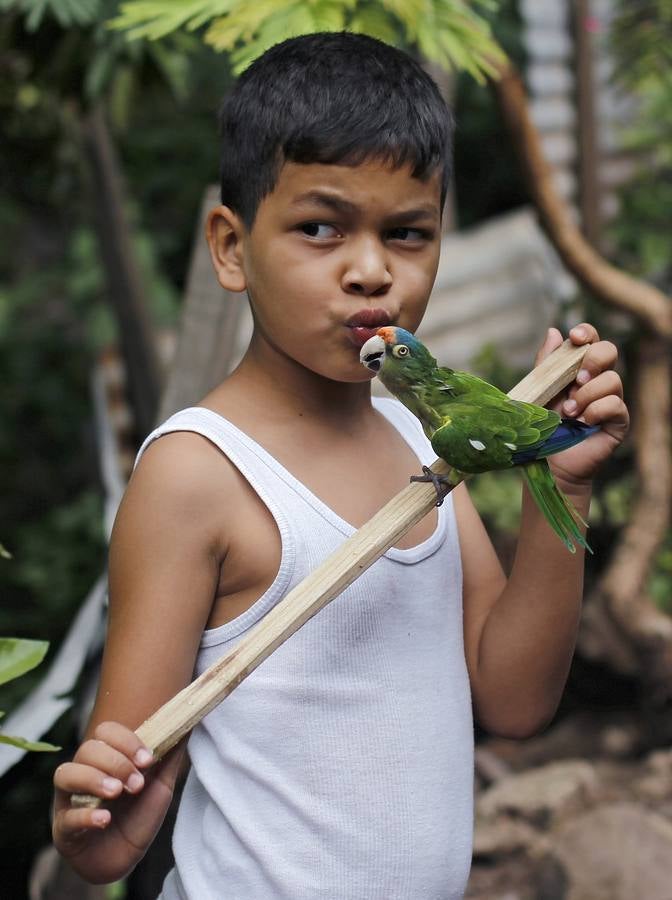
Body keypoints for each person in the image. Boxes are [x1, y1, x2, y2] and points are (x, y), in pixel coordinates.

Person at [52, 32, 629, 899]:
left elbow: (512, 702)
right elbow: (108, 825)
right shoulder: (197, 476)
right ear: (232, 247)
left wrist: (568, 487)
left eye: (407, 233)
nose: (370, 272)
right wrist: (90, 816)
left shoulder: (418, 446)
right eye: (320, 228)